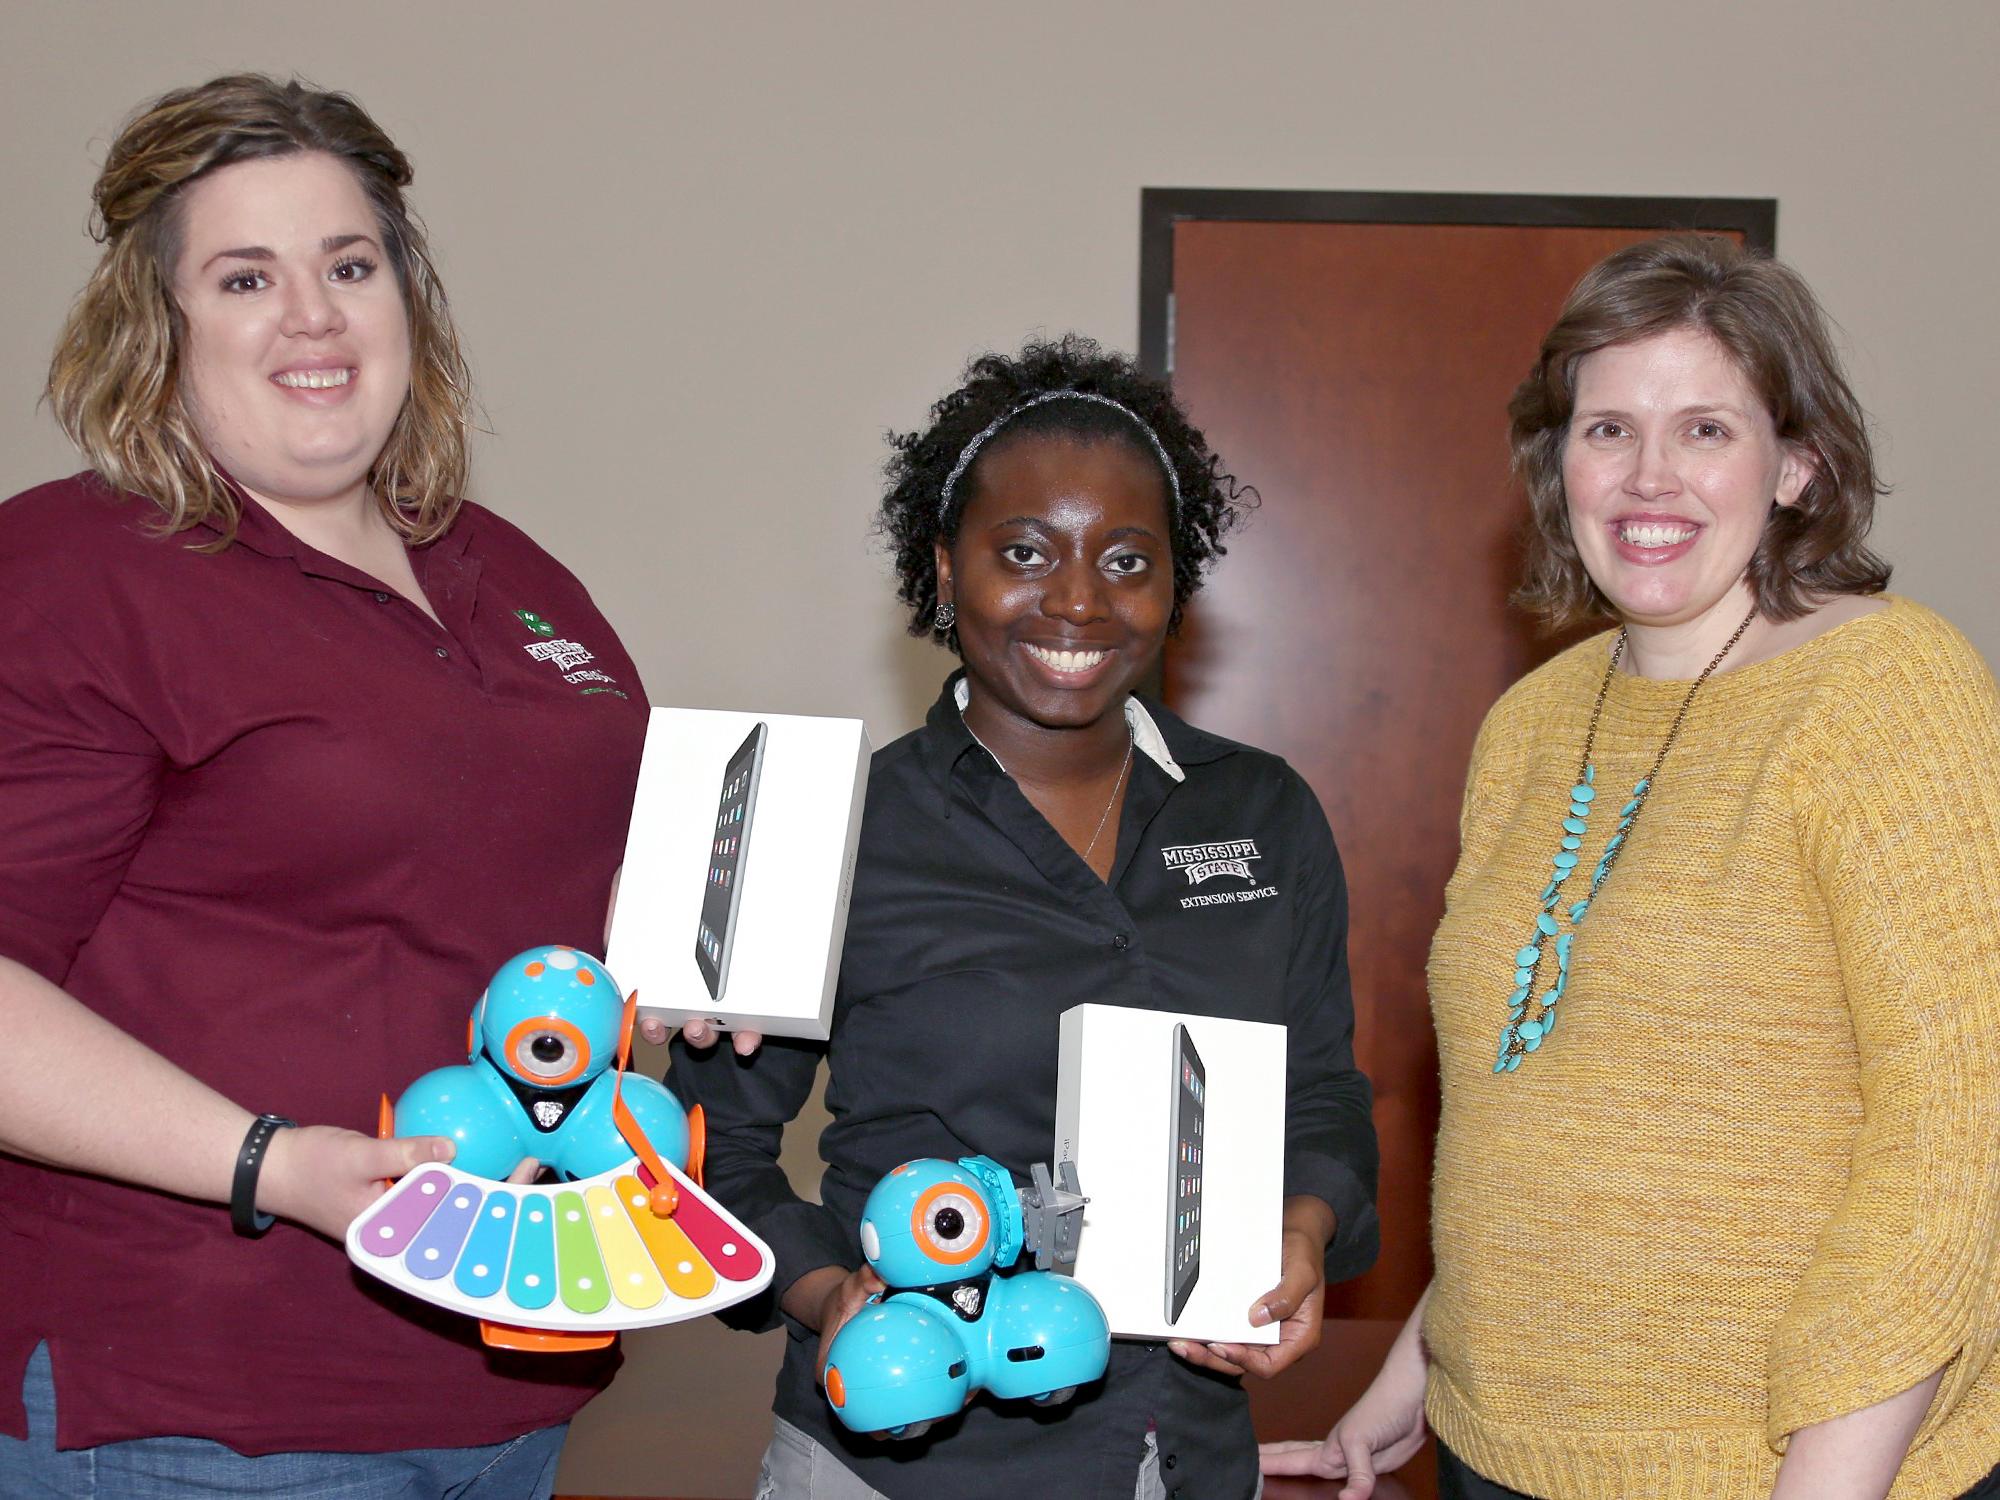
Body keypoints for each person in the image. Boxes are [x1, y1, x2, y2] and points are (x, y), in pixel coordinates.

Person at [0, 73, 741, 1496]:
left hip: (508, 1374)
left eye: (349, 265)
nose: (314, 317)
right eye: (244, 277)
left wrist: (689, 989)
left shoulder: (517, 577)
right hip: (195, 1397)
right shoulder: (76, 574)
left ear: (410, 296)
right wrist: (272, 1165)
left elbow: (545, 908)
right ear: (160, 328)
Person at [1260, 234, 2000, 1500]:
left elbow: (1949, 1147)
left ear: (1796, 464)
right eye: (1606, 431)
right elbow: (1535, 1094)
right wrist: (1419, 1377)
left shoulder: (1886, 689)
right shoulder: (1535, 721)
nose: (1648, 476)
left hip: (1774, 1469)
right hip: (1501, 1453)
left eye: (1704, 429)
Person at [670, 334, 1381, 1500]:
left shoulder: (1263, 811)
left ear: (1174, 584)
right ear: (945, 571)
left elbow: (1322, 1093)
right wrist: (823, 1292)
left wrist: (1303, 1227)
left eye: (1125, 559)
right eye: (1023, 551)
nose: (1076, 599)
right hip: (905, 1463)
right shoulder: (815, 826)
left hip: (1187, 1454)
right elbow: (709, 1161)